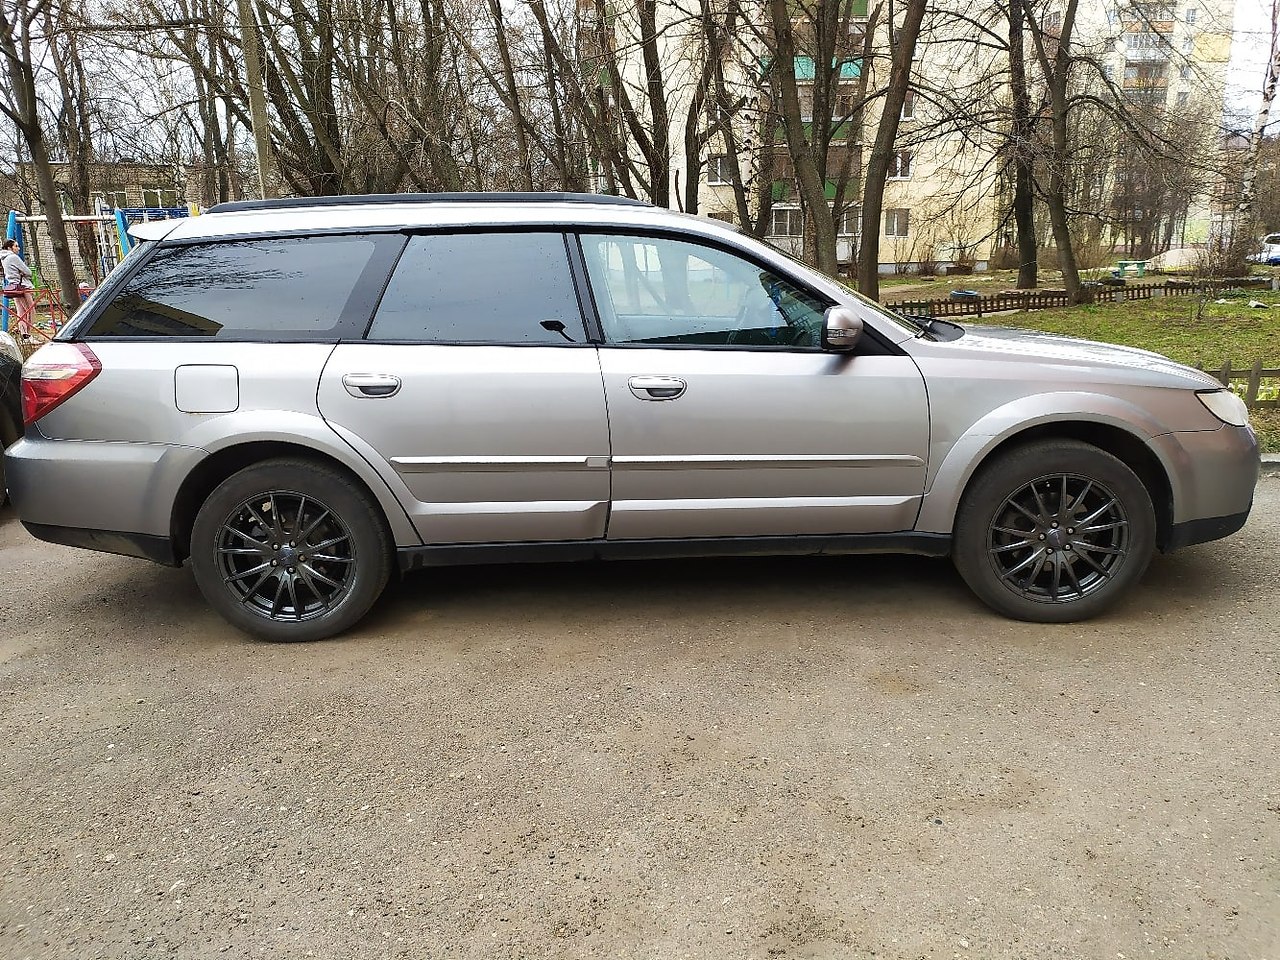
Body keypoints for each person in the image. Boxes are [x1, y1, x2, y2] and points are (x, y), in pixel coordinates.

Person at [1, 238, 36, 340]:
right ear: (9, 248)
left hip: (13, 286)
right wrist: (23, 273)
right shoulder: (13, 257)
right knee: (30, 310)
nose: (18, 248)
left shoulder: (3, 258)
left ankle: (23, 333)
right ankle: (28, 335)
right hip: (22, 286)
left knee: (20, 312)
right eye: (16, 246)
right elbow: (28, 272)